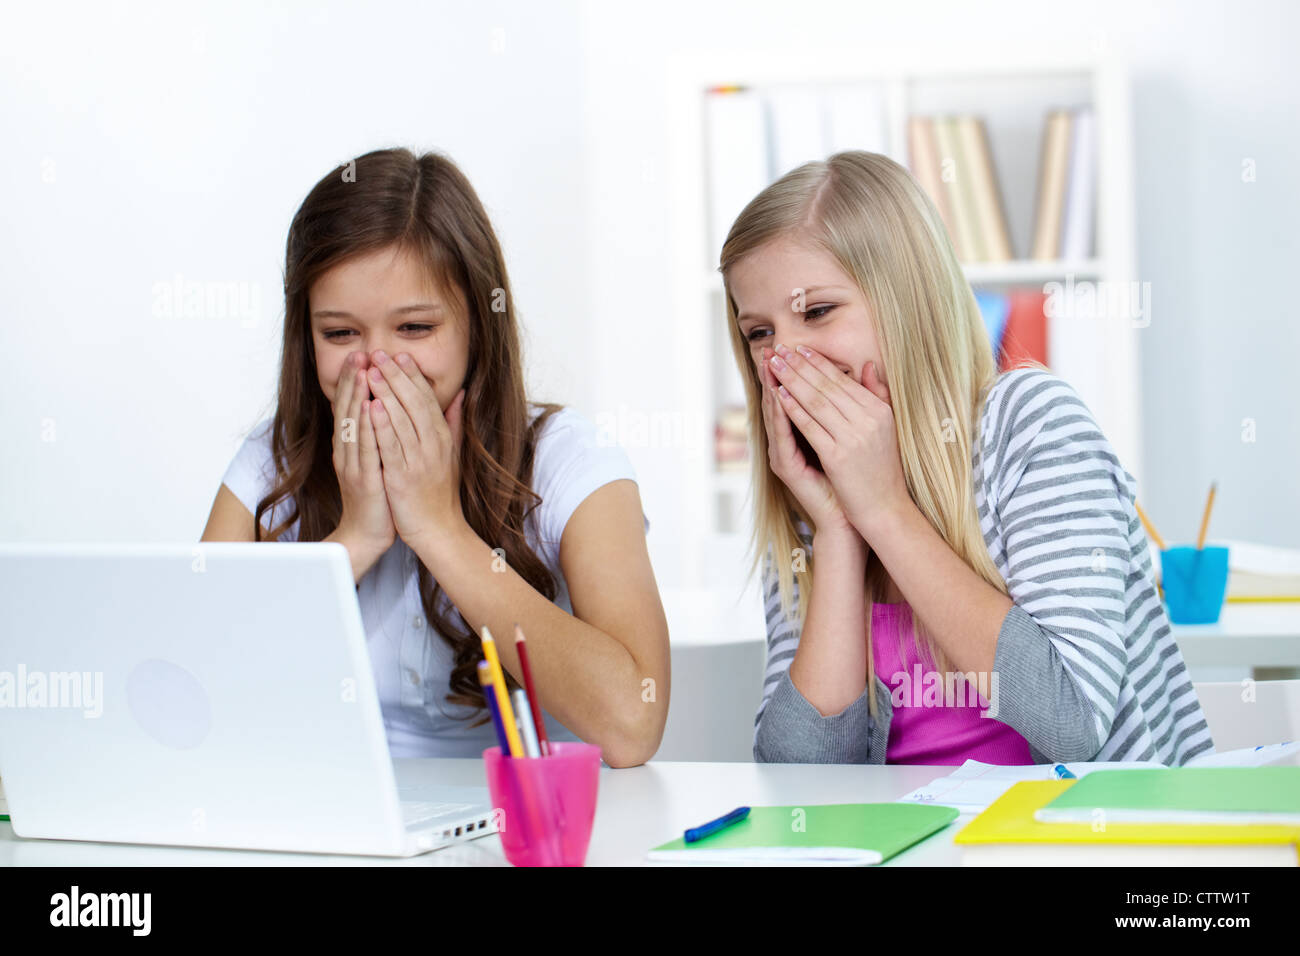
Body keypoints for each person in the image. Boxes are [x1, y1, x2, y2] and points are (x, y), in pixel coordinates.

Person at [720, 151, 1213, 766]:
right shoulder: (806, 488)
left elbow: (1071, 724)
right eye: (759, 332)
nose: (783, 357)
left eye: (816, 311)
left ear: (907, 300)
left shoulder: (1031, 424)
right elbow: (799, 782)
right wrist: (839, 531)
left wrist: (884, 509)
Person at [201, 148, 669, 767]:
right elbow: (193, 689)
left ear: (478, 323)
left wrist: (439, 529)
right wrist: (357, 538)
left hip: (526, 835)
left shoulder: (569, 461)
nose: (375, 365)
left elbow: (633, 725)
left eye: (416, 329)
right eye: (339, 334)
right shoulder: (271, 459)